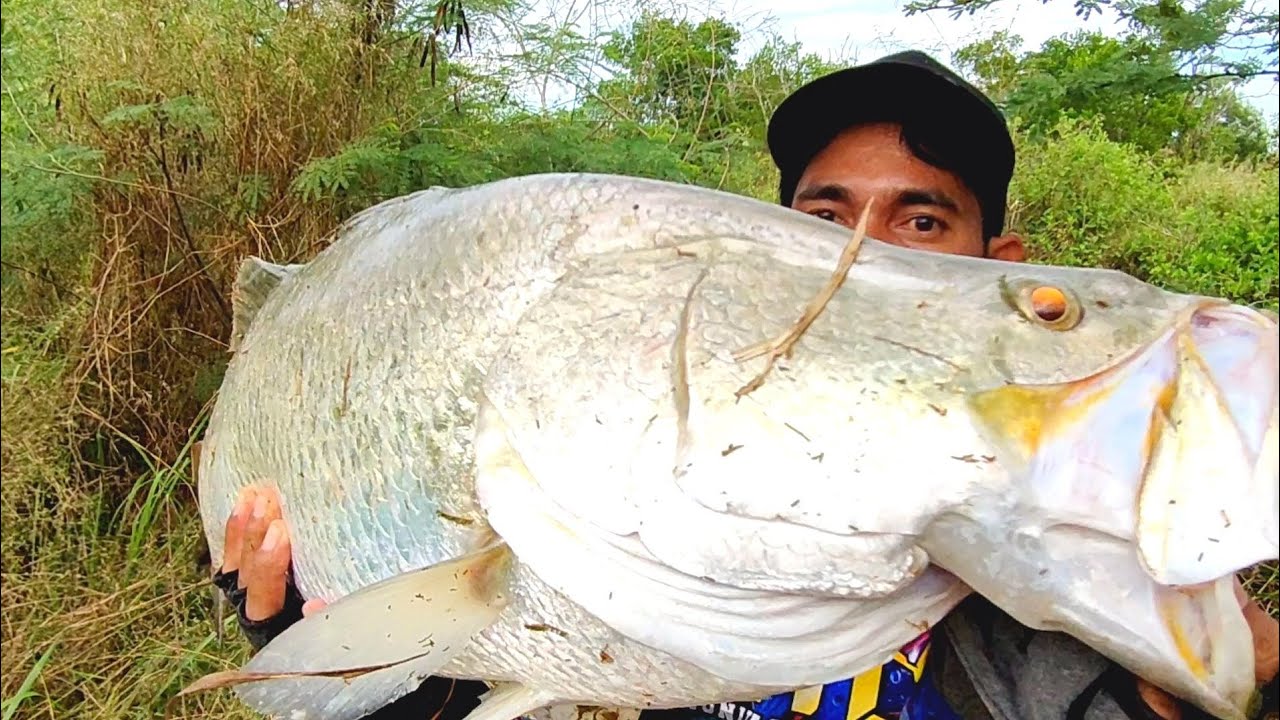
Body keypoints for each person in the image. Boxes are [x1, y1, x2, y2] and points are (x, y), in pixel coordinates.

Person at [207, 50, 1280, 720]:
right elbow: (461, 668)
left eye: (918, 220)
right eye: (820, 220)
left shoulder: (1062, 589)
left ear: (992, 263)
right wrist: (293, 630)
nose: (861, 252)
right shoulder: (638, 473)